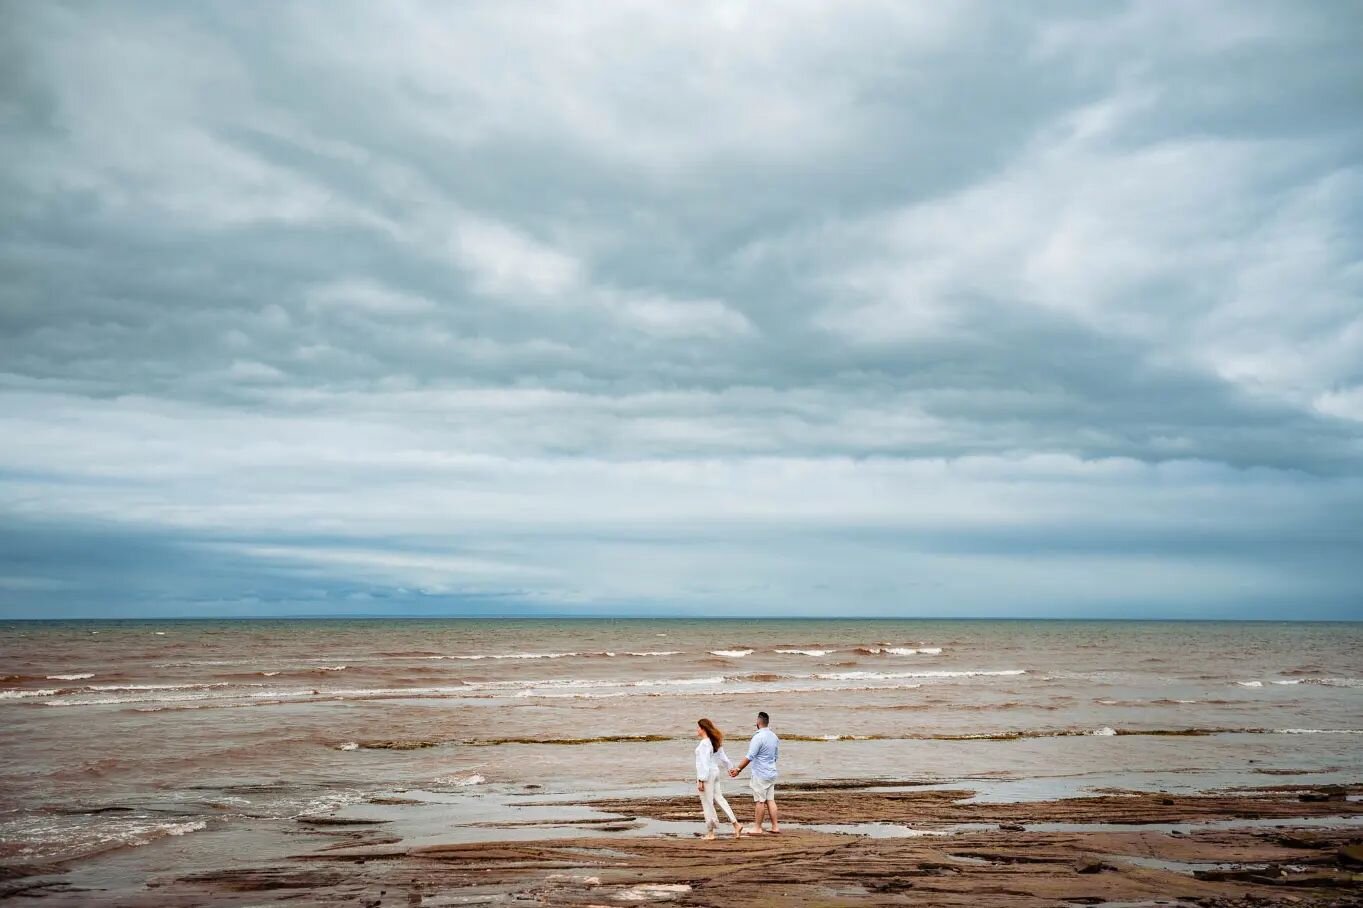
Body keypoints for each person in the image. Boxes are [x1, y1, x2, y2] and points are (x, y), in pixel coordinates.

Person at [729, 710, 780, 834]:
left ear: (758, 722)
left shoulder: (758, 737)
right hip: (771, 772)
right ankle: (775, 826)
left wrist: (738, 769)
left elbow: (750, 756)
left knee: (760, 801)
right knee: (770, 800)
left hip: (760, 774)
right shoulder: (774, 736)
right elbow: (775, 756)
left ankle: (757, 827)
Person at [694, 718, 742, 840]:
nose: (697, 730)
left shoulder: (705, 743)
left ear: (703, 729)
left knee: (707, 803)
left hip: (708, 774)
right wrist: (730, 768)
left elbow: (704, 763)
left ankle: (710, 833)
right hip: (715, 772)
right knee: (719, 799)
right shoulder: (714, 741)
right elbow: (723, 758)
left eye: (698, 728)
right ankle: (735, 824)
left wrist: (700, 779)